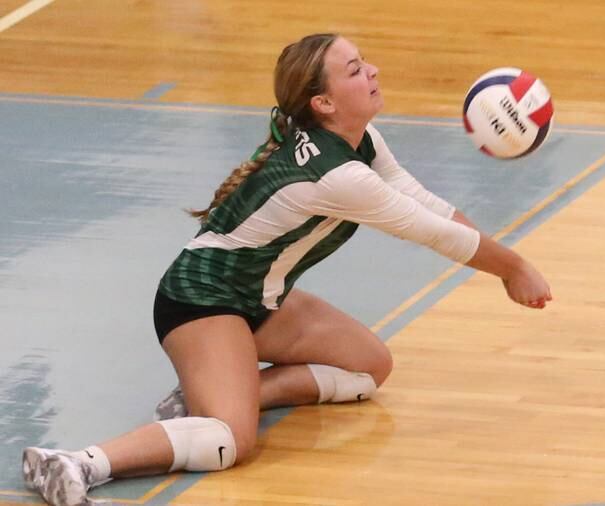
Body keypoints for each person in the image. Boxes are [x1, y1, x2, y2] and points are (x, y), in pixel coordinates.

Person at [21, 33, 552, 506]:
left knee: (369, 368)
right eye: (354, 70)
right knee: (230, 441)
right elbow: (432, 233)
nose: (372, 72)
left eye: (364, 62)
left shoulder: (360, 142)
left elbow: (427, 205)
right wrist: (512, 269)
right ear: (323, 102)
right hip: (202, 302)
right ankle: (79, 463)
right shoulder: (337, 175)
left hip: (261, 298)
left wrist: (510, 263)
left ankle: (211, 396)